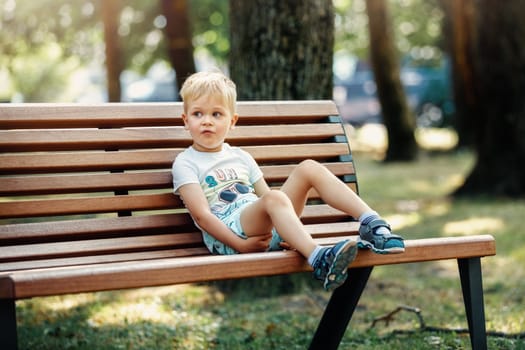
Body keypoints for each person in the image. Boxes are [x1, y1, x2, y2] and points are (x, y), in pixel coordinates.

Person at [171, 71, 404, 291]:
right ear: (185, 120)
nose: (207, 121)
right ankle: (318, 258)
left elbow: (265, 197)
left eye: (216, 114)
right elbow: (202, 216)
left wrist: (288, 230)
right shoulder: (186, 162)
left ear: (232, 121)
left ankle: (373, 224)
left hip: (259, 225)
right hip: (231, 236)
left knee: (308, 168)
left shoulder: (240, 156)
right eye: (197, 114)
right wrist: (239, 245)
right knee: (274, 196)